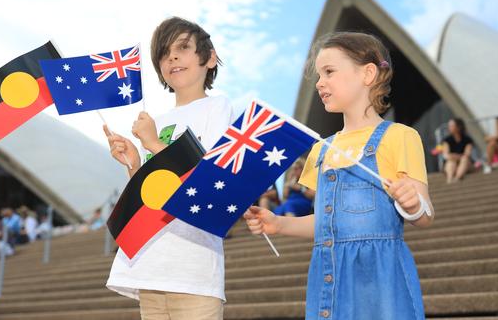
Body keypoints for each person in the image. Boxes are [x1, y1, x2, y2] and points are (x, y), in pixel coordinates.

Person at [244, 31, 434, 319]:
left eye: (329, 71)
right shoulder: (321, 149)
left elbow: (425, 215)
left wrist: (412, 205)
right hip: (329, 276)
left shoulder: (400, 136)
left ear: (368, 73)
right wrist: (278, 224)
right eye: (319, 75)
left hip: (380, 280)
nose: (320, 82)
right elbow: (328, 222)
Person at [104, 17, 235, 319]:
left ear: (210, 57)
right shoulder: (157, 121)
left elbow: (211, 179)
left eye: (183, 48)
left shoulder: (218, 107)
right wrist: (134, 163)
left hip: (193, 268)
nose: (172, 57)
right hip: (150, 265)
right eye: (164, 53)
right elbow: (148, 191)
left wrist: (152, 144)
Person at [442, 118, 474, 184]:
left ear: (458, 127)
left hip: (465, 163)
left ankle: (457, 178)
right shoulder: (447, 140)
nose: (449, 128)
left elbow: (467, 154)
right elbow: (446, 155)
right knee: (451, 162)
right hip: (452, 163)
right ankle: (450, 179)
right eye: (449, 126)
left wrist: (454, 156)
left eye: (451, 126)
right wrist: (458, 156)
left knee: (464, 159)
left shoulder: (467, 140)